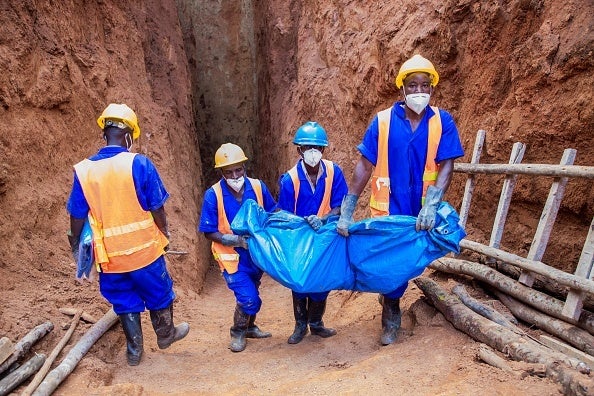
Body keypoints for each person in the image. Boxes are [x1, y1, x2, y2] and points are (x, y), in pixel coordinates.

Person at [336, 54, 464, 345]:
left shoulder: (442, 121)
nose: (419, 91)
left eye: (425, 86)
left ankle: (390, 298)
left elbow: (446, 164)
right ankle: (391, 312)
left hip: (419, 209)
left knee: (407, 262)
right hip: (389, 208)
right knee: (392, 263)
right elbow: (364, 166)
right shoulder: (382, 122)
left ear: (432, 89)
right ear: (402, 89)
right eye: (412, 85)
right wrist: (347, 209)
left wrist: (432, 204)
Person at [66, 103, 189, 366]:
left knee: (123, 299)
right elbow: (157, 206)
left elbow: (77, 215)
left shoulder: (85, 171)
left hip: (110, 258)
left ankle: (134, 351)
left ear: (105, 133)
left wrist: (77, 245)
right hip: (144, 251)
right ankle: (166, 334)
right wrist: (163, 234)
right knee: (159, 290)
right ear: (129, 136)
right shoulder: (138, 163)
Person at [199, 143, 277, 352]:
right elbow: (208, 230)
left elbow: (272, 213)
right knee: (249, 298)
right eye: (229, 172)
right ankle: (238, 331)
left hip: (256, 254)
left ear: (244, 166)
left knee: (253, 287)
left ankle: (250, 326)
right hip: (231, 257)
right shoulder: (213, 195)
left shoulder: (258, 187)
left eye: (238, 169)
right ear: (221, 173)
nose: (235, 175)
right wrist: (232, 240)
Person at [277, 122, 348, 344]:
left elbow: (341, 205)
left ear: (324, 149)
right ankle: (300, 326)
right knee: (300, 282)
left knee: (322, 282)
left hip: (326, 236)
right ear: (299, 150)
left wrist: (324, 218)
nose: (313, 152)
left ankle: (316, 323)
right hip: (300, 238)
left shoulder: (334, 172)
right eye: (307, 147)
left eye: (317, 147)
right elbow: (285, 215)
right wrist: (303, 224)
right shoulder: (289, 180)